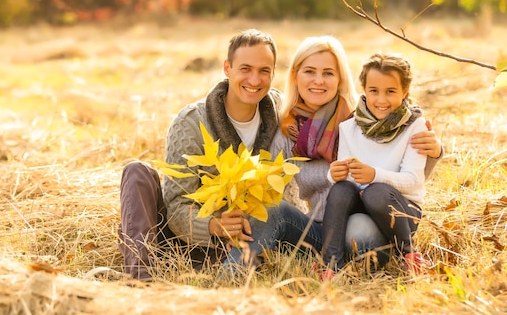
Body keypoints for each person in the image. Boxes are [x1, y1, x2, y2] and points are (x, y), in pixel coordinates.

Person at [120, 28, 318, 280]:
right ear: (227, 68)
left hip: (246, 242)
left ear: (273, 73)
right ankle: (140, 278)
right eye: (245, 69)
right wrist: (214, 225)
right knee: (137, 172)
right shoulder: (191, 122)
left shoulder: (284, 114)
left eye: (264, 71)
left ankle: (226, 271)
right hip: (185, 239)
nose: (255, 80)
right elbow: (176, 204)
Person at [269, 36, 442, 269]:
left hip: (374, 217)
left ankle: (400, 254)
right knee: (285, 208)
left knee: (363, 221)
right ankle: (329, 263)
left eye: (328, 73)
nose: (318, 81)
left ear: (340, 78)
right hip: (327, 225)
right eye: (310, 71)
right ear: (295, 75)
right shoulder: (289, 131)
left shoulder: (358, 117)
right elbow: (272, 188)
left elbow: (410, 180)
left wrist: (435, 152)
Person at [321, 53, 431, 278]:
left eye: (390, 91)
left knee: (376, 192)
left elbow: (414, 181)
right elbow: (347, 180)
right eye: (374, 91)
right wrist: (335, 175)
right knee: (340, 189)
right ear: (364, 88)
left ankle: (408, 254)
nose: (381, 100)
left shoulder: (415, 127)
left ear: (405, 90)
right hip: (361, 206)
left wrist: (374, 175)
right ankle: (331, 266)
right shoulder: (349, 128)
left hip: (401, 210)